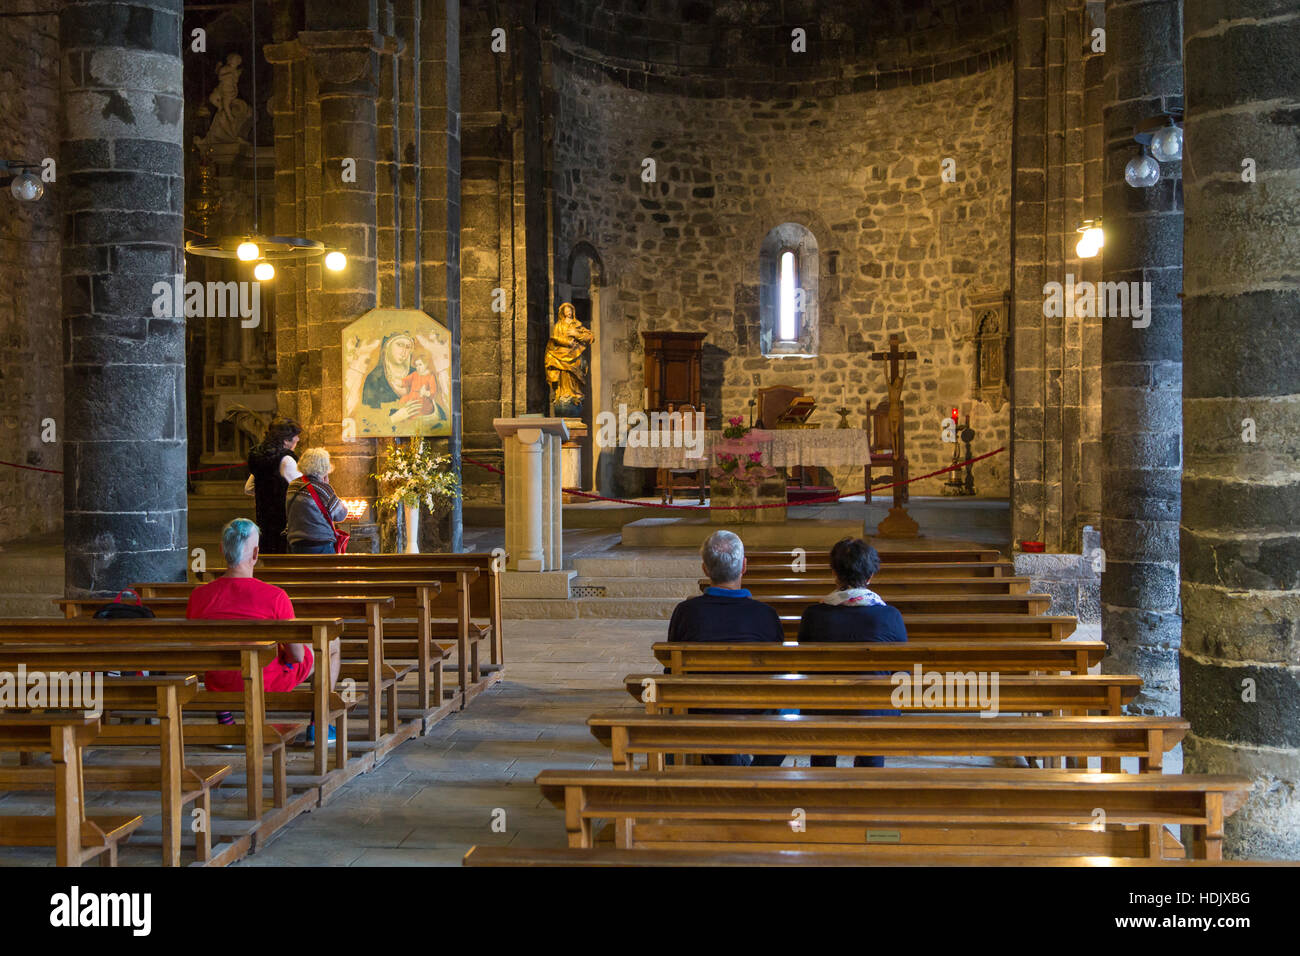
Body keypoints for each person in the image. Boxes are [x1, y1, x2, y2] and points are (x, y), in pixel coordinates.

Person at [187, 518, 341, 744]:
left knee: (222, 659)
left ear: (222, 550)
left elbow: (196, 649)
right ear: (256, 553)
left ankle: (225, 721)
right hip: (265, 683)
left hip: (218, 682)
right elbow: (297, 656)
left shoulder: (199, 596)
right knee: (332, 644)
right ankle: (319, 725)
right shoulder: (275, 596)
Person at [667, 530, 785, 767]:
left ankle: (724, 759)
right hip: (754, 708)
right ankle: (755, 772)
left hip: (699, 707)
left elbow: (671, 665)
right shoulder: (766, 615)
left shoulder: (686, 612)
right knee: (791, 708)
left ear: (705, 569)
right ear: (744, 567)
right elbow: (778, 669)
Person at [798, 537, 908, 767]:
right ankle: (868, 787)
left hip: (824, 709)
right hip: (874, 712)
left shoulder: (813, 615)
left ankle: (823, 783)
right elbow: (902, 672)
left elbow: (804, 667)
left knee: (823, 722)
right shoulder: (890, 616)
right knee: (875, 714)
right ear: (870, 577)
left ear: (834, 573)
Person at [245, 416, 302, 555]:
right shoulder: (286, 460)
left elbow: (248, 488)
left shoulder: (260, 457)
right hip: (283, 520)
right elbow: (303, 489)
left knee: (268, 554)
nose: (298, 439)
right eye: (295, 436)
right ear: (286, 440)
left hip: (263, 517)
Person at [285, 447, 348, 554]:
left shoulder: (293, 485)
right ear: (324, 467)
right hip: (320, 544)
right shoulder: (322, 489)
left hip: (296, 543)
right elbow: (341, 514)